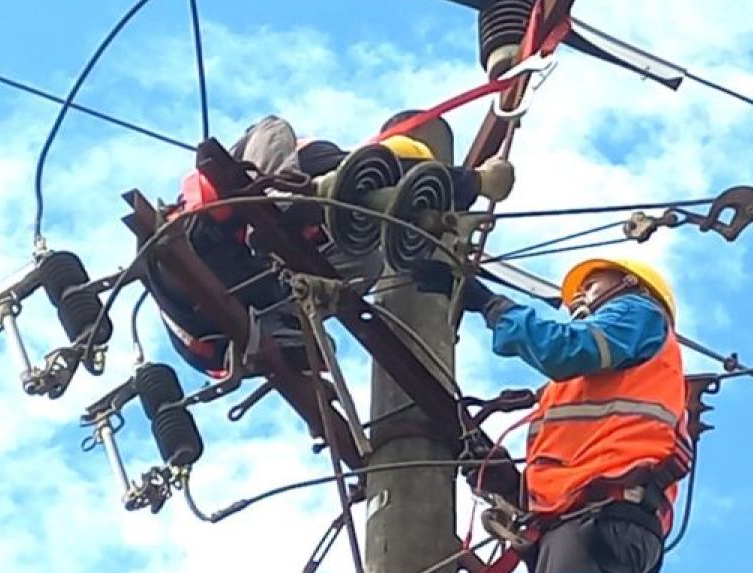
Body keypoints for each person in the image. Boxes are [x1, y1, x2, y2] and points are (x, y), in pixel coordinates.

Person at [412, 257, 693, 573]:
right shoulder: (592, 382)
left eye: (592, 284)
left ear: (630, 283)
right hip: (592, 523)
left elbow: (565, 348)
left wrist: (486, 302)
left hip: (601, 516)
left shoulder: (639, 313)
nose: (580, 297)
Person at [146, 111, 514, 378]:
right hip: (191, 256)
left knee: (366, 258)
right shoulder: (317, 158)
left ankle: (289, 319)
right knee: (277, 130)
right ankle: (278, 199)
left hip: (222, 337)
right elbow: (374, 179)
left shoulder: (349, 232)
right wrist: (476, 182)